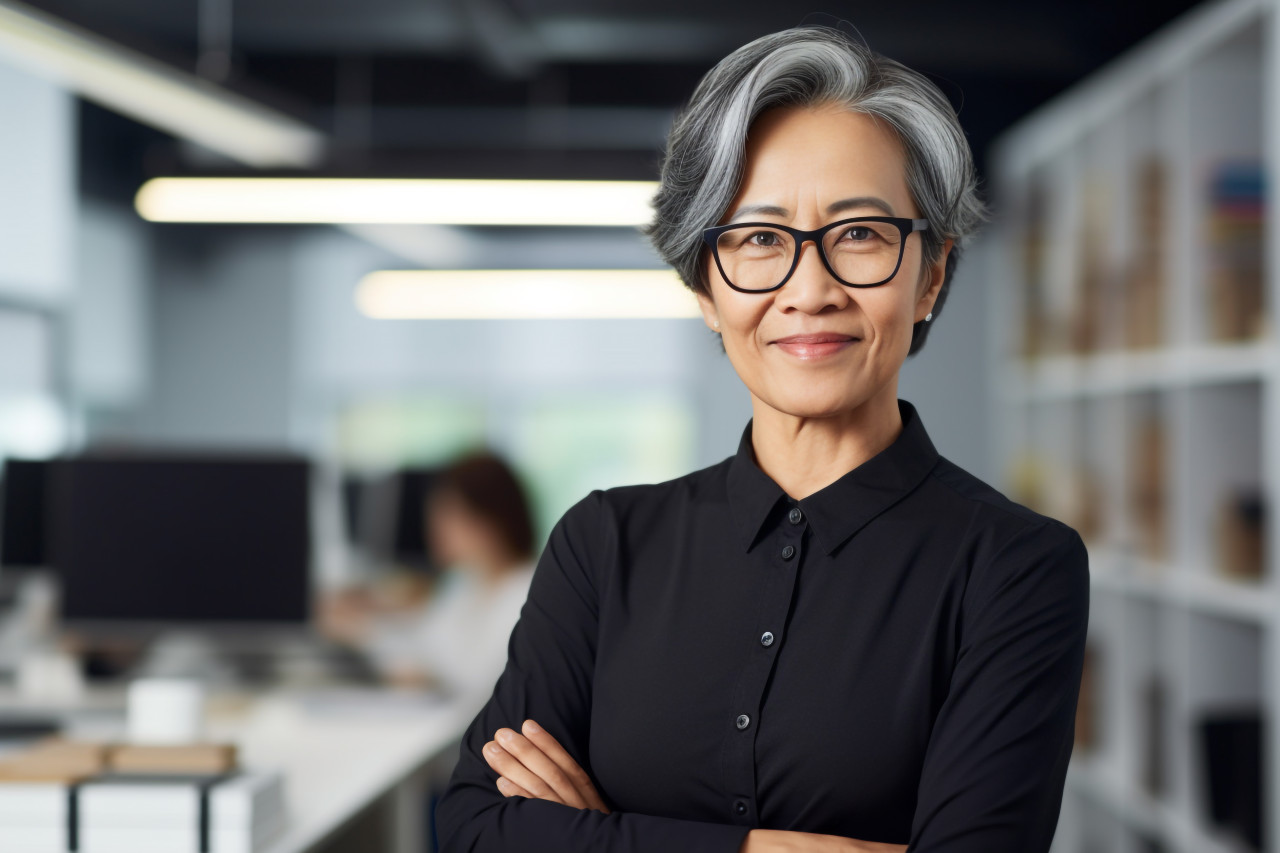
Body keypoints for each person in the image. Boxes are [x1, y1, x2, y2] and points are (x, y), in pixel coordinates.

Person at [435, 25, 1089, 853]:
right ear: (705, 287)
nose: (808, 290)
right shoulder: (603, 546)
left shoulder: (1016, 567)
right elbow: (474, 828)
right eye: (758, 238)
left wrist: (601, 836)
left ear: (930, 275)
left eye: (859, 233)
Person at [323, 451, 537, 708]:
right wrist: (374, 617)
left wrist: (367, 633)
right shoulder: (466, 581)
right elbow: (428, 645)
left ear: (490, 519)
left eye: (449, 515)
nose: (435, 528)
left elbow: (462, 677)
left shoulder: (527, 591)